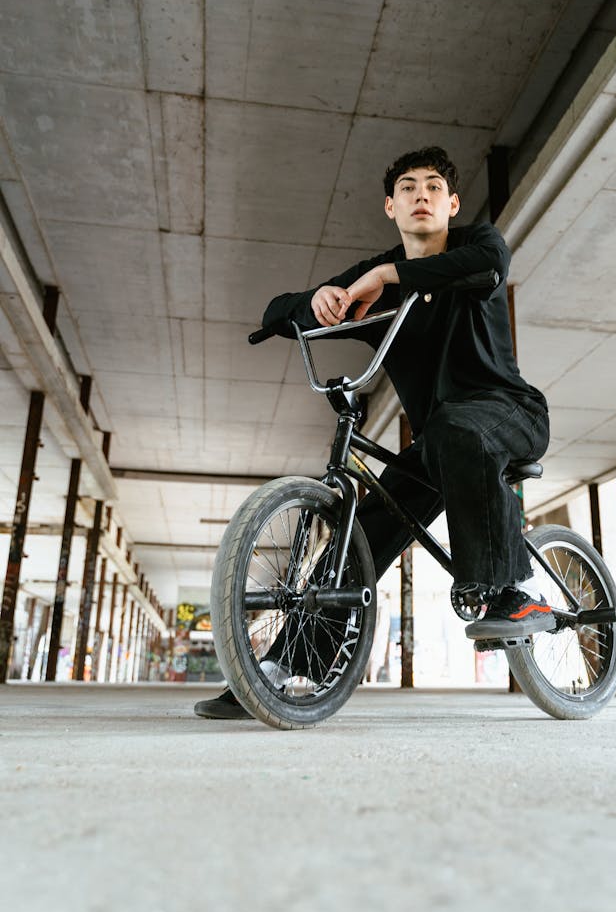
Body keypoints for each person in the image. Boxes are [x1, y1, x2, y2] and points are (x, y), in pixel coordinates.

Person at [195, 146, 551, 719]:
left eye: (434, 187)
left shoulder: (474, 247)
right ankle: (281, 668)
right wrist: (314, 301)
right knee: (362, 533)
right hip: (441, 443)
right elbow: (275, 313)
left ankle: (509, 594)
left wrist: (389, 274)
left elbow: (491, 269)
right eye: (408, 188)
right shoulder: (374, 285)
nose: (421, 196)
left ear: (452, 203)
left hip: (509, 413)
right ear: (391, 206)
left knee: (458, 429)